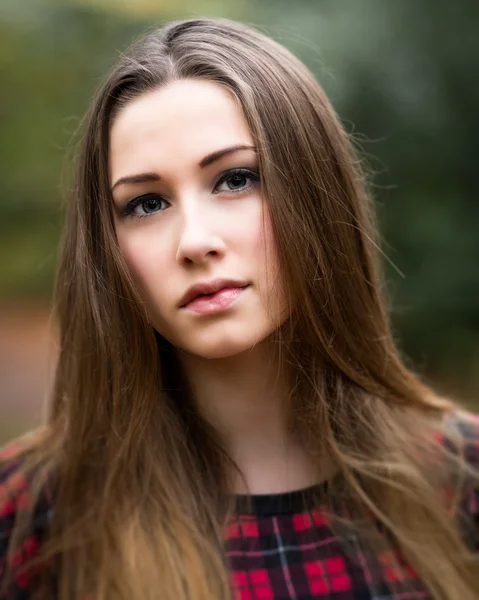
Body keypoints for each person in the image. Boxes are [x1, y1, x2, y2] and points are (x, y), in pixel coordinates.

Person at [0, 16, 478, 600]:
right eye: (146, 203)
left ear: (315, 191)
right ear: (106, 251)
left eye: (235, 179)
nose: (196, 241)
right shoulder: (30, 518)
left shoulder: (462, 479)